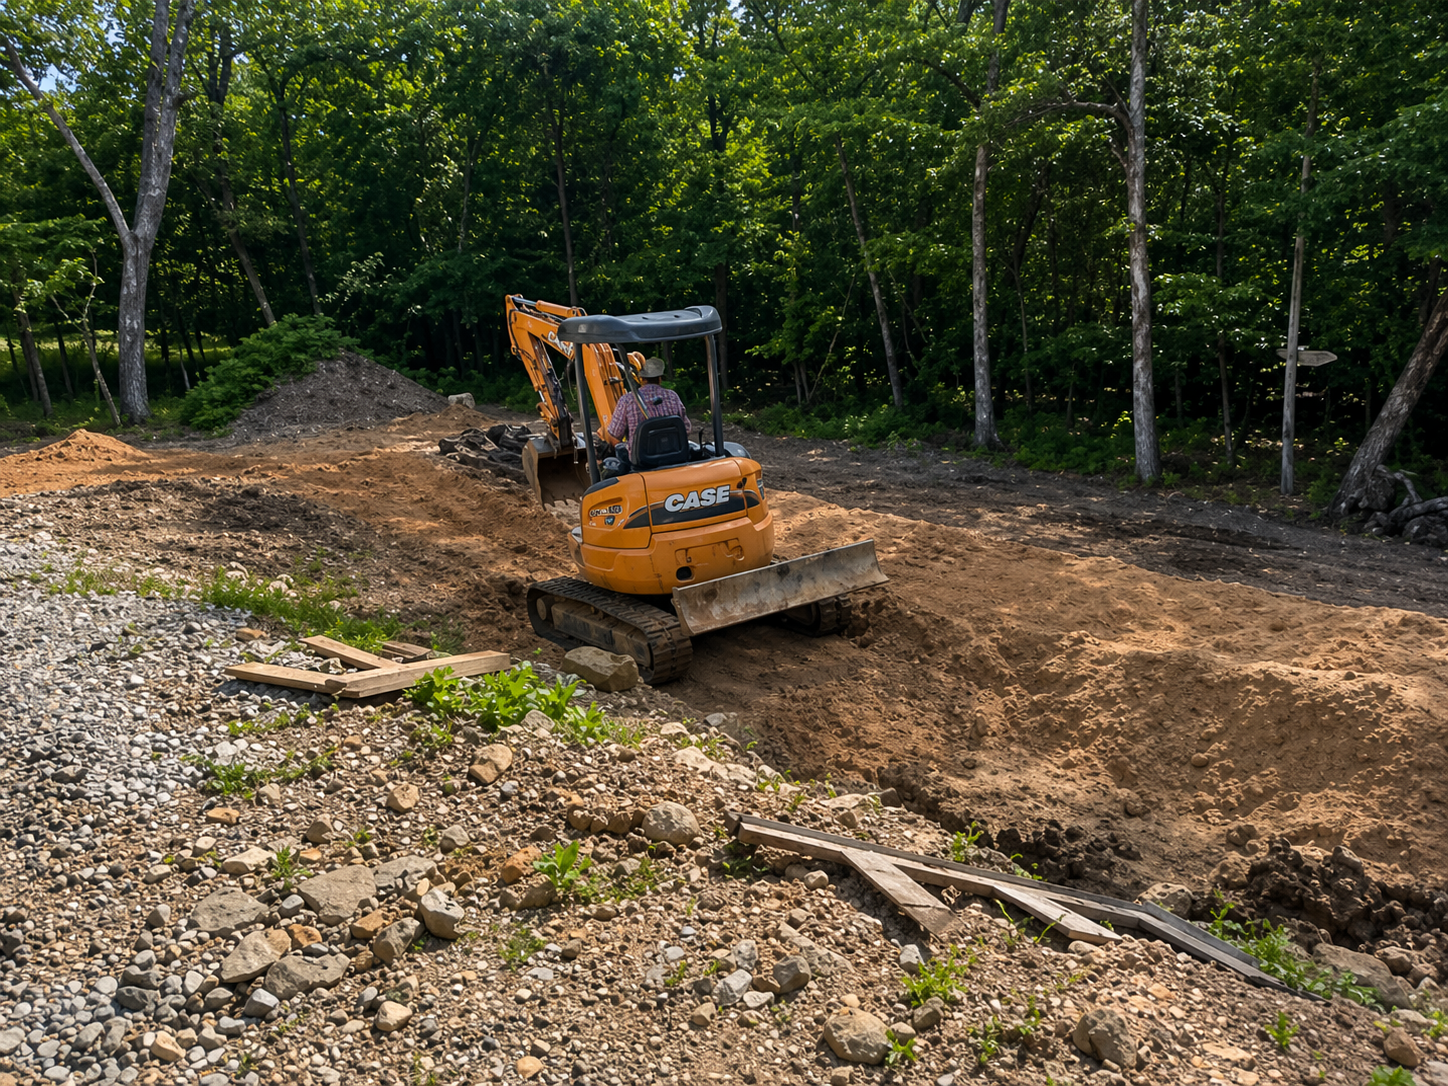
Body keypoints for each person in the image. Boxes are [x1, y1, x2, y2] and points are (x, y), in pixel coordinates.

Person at [605, 356, 692, 468]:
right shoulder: (673, 397)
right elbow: (687, 430)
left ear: (641, 378)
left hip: (641, 464)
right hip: (674, 458)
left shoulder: (628, 400)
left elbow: (614, 437)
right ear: (660, 378)